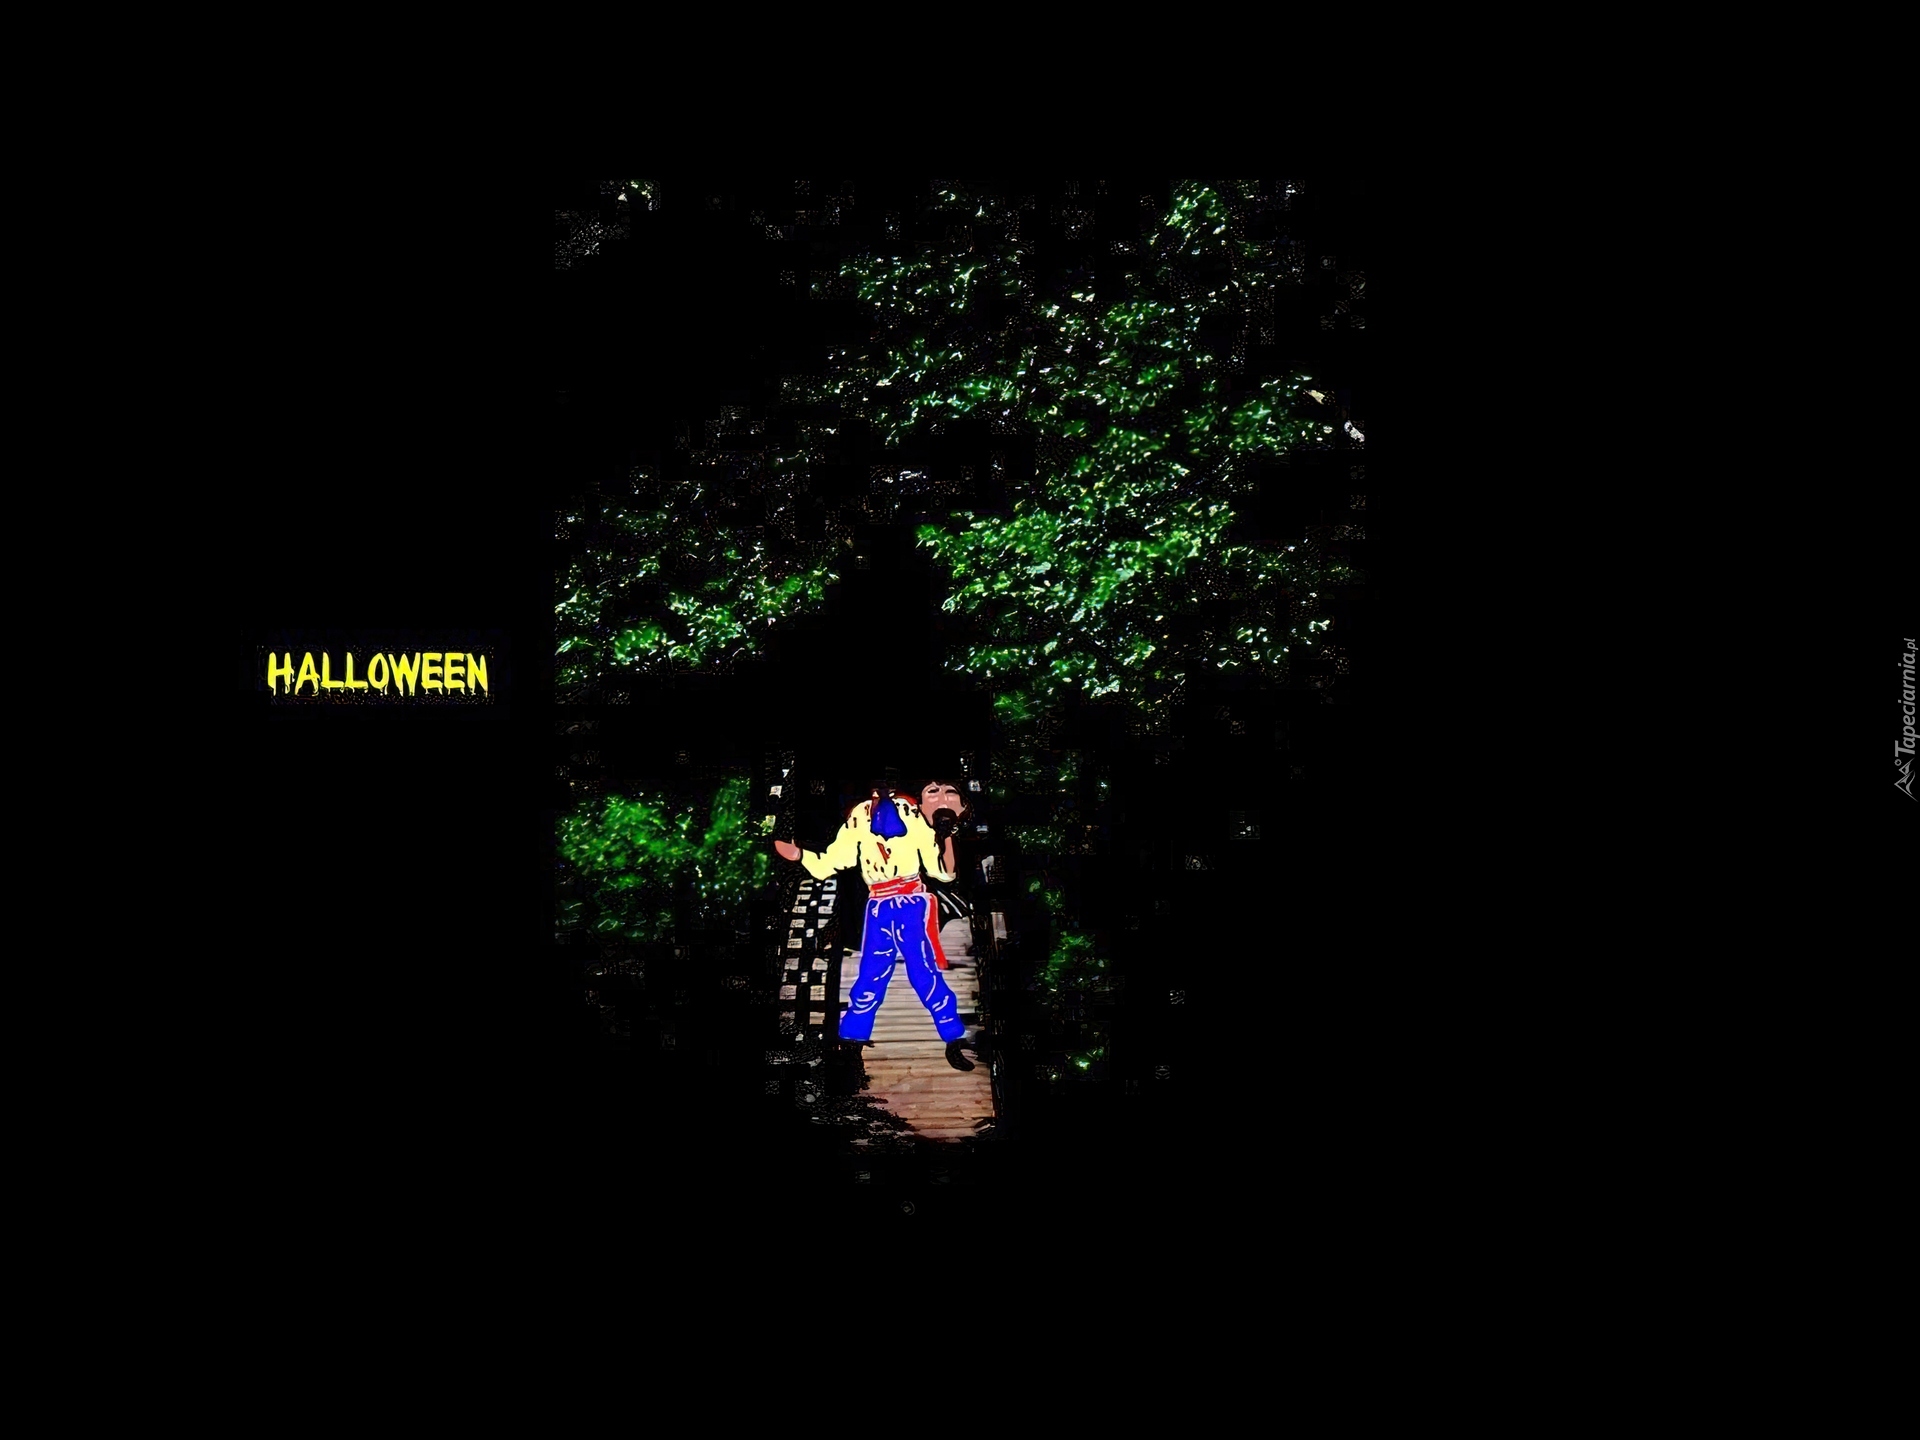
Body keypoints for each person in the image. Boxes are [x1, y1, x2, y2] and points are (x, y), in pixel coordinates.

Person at [773, 774, 974, 1071]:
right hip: (878, 905)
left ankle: (952, 1037)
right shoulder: (859, 816)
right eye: (877, 787)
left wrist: (945, 837)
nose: (882, 792)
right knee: (870, 975)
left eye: (888, 787)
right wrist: (801, 855)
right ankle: (852, 1041)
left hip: (910, 902)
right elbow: (836, 859)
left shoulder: (912, 815)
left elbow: (941, 871)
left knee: (924, 972)